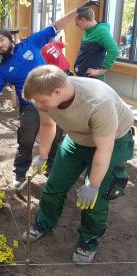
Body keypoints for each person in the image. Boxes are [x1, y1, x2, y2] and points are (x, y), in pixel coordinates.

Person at [0, 0, 101, 187]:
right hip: (30, 108)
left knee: (56, 140)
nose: (0, 45)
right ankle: (19, 175)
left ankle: (52, 172)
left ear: (9, 38)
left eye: (1, 39)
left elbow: (56, 26)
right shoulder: (2, 70)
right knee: (25, 142)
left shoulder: (31, 43)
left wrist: (78, 9)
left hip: (55, 103)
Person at [21, 64, 134, 264]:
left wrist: (93, 185)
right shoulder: (46, 99)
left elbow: (104, 149)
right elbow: (48, 125)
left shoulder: (97, 102)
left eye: (41, 100)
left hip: (112, 142)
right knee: (55, 185)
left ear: (57, 92)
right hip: (77, 139)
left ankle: (89, 240)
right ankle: (43, 223)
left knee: (94, 199)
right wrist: (43, 156)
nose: (38, 104)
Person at [74, 7, 119, 81]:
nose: (76, 25)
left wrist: (100, 72)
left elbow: (114, 50)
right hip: (83, 77)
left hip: (94, 81)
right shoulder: (86, 31)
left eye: (77, 23)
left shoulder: (101, 32)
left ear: (83, 20)